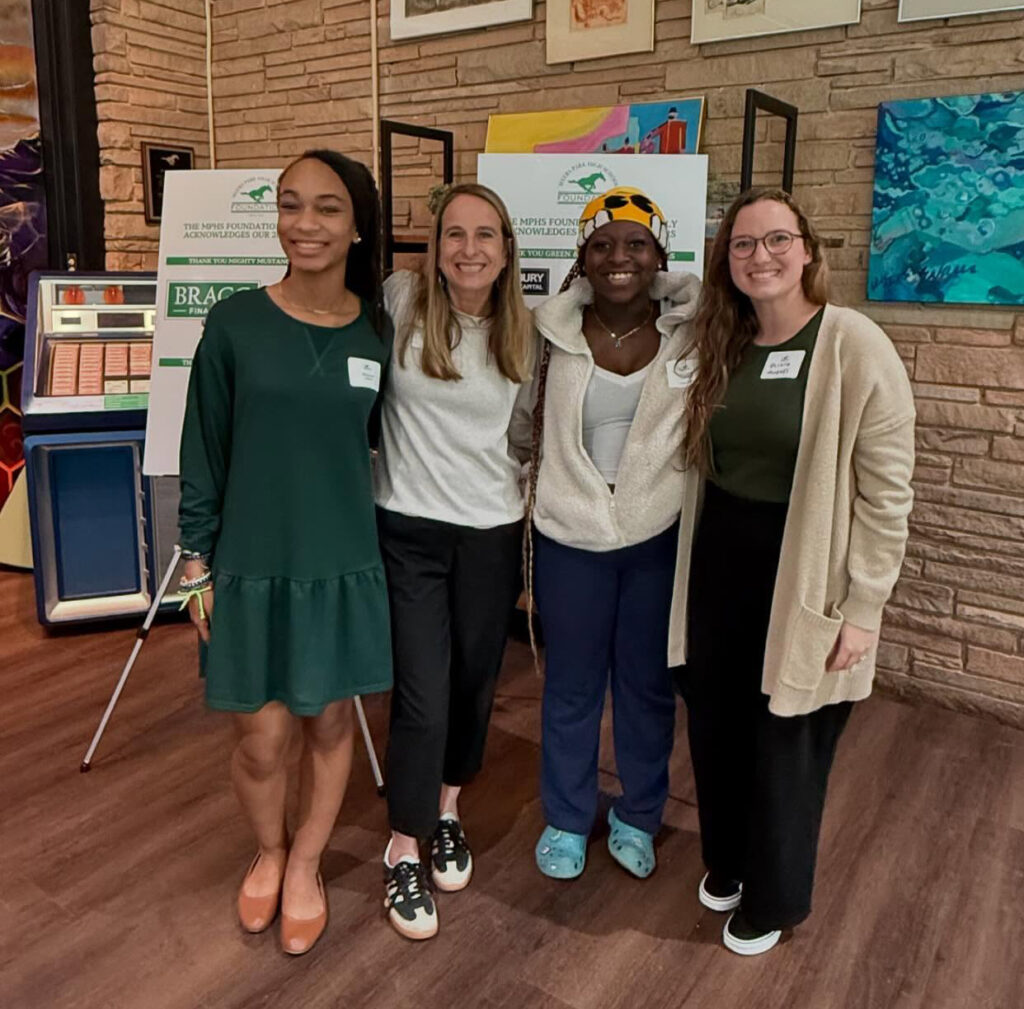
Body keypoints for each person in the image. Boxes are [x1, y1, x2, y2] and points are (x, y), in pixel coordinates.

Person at [669, 187, 916, 956]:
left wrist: (865, 606)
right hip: (719, 558)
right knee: (717, 722)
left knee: (786, 737)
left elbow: (887, 493)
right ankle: (729, 859)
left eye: (777, 239)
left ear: (807, 249)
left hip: (802, 565)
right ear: (727, 261)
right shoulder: (724, 340)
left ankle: (773, 896)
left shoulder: (852, 344)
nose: (761, 256)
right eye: (743, 244)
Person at [178, 149, 392, 956]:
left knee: (330, 722)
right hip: (249, 561)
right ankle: (268, 849)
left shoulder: (379, 331)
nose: (305, 223)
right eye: (290, 204)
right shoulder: (235, 322)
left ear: (357, 226)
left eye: (327, 207)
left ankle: (305, 863)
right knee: (262, 737)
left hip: (340, 561)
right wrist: (194, 563)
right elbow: (204, 446)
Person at [525, 186, 701, 882]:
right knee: (571, 687)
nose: (617, 257)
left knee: (646, 688)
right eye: (601, 245)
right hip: (570, 538)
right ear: (583, 256)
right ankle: (567, 818)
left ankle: (639, 814)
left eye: (635, 243)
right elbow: (522, 427)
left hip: (657, 536)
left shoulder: (693, 332)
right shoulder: (551, 333)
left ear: (659, 254)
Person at [374, 183, 534, 940]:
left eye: (485, 235)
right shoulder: (399, 300)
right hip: (408, 530)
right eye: (455, 234)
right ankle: (402, 846)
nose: (469, 249)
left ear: (506, 251)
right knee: (421, 693)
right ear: (435, 247)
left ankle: (445, 811)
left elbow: (525, 432)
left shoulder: (527, 331)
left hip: (490, 532)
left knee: (474, 685)